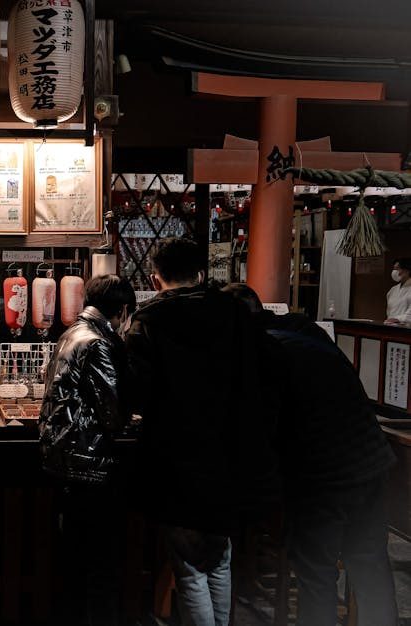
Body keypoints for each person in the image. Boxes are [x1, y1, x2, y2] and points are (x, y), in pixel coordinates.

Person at [125, 238, 280, 626]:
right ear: (200, 273)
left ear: (154, 277)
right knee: (220, 556)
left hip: (177, 457)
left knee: (190, 565)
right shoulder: (234, 311)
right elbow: (266, 373)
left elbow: (135, 394)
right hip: (233, 455)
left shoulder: (150, 320)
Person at [224, 283, 397, 626]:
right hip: (371, 459)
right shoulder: (308, 332)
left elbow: (264, 427)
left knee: (316, 572)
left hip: (323, 475)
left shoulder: (263, 352)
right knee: (370, 563)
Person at [40, 274, 137, 626]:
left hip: (65, 459)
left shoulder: (72, 333)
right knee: (98, 560)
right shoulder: (97, 342)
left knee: (74, 556)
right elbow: (112, 413)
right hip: (89, 463)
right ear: (123, 310)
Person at [385, 258, 411, 325]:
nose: (394, 272)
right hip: (390, 328)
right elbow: (389, 312)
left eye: (397, 269)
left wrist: (397, 319)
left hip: (406, 330)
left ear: (407, 270)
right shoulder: (393, 290)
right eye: (394, 269)